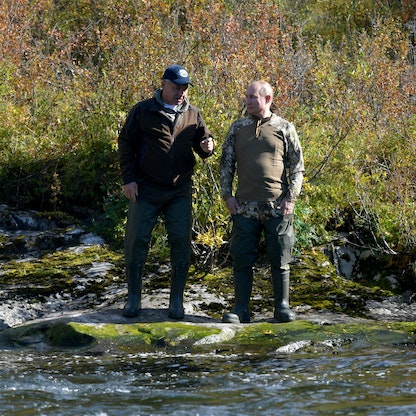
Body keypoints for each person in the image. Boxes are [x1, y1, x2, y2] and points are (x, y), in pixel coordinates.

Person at [118, 64, 214, 319]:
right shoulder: (143, 110)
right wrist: (129, 180)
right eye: (176, 87)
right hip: (146, 187)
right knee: (136, 241)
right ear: (163, 85)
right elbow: (125, 144)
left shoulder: (193, 114)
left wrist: (208, 146)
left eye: (184, 88)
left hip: (179, 190)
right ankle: (134, 299)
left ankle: (176, 302)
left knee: (181, 244)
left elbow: (204, 146)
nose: (181, 92)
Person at [220, 80, 304, 324]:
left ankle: (282, 308)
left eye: (252, 97)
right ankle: (241, 309)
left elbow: (297, 167)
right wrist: (228, 196)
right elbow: (226, 165)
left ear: (267, 99)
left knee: (280, 256)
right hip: (244, 207)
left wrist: (291, 199)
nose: (247, 101)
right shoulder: (237, 128)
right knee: (242, 257)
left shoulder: (284, 127)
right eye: (246, 96)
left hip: (277, 206)